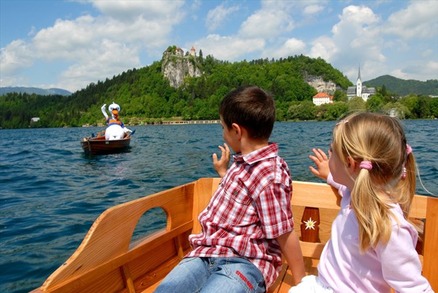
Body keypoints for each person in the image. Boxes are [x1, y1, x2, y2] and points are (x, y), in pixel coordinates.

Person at [155, 86, 305, 293]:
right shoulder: (243, 162)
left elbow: (284, 233)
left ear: (236, 130)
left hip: (246, 261)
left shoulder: (270, 175)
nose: (223, 135)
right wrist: (224, 172)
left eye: (223, 128)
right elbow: (245, 198)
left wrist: (303, 283)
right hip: (206, 253)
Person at [289, 112, 433, 293]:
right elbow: (344, 186)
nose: (329, 155)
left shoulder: (389, 227)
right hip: (324, 285)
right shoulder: (353, 194)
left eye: (332, 151)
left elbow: (414, 287)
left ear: (350, 164)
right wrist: (328, 175)